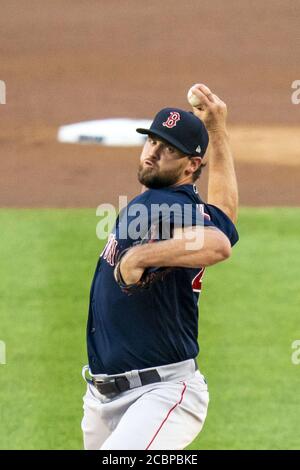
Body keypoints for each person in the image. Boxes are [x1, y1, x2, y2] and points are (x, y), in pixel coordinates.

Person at [81, 83, 239, 450]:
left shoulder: (170, 203)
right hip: (105, 397)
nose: (152, 153)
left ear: (191, 165)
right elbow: (225, 220)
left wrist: (139, 257)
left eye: (168, 149)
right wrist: (216, 131)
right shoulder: (168, 203)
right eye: (152, 141)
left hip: (161, 393)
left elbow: (218, 245)